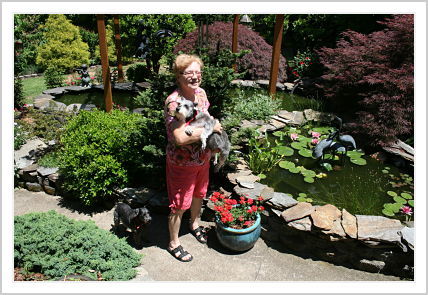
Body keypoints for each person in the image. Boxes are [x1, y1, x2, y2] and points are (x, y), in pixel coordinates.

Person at [164, 54, 222, 262]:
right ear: (179, 76)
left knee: (199, 194)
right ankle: (173, 243)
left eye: (198, 72)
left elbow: (205, 118)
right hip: (182, 162)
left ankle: (194, 224)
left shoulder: (201, 94)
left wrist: (212, 134)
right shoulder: (174, 102)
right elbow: (179, 137)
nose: (195, 77)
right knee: (179, 204)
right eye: (190, 73)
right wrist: (211, 128)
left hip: (202, 158)